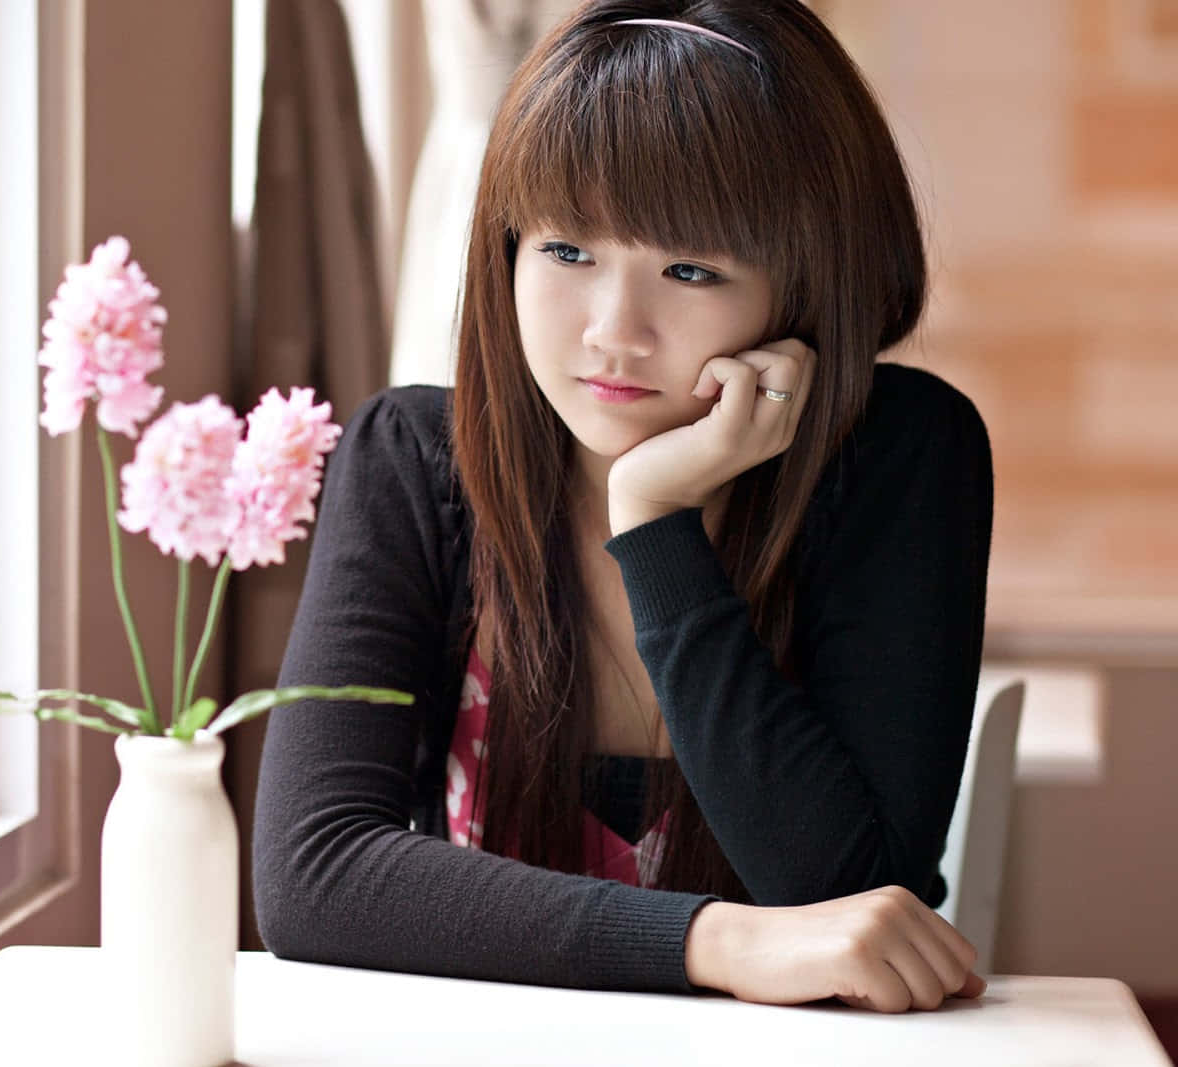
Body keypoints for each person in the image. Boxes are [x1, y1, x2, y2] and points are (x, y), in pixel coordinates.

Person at [252, 0, 994, 1014]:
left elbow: (843, 893)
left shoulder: (896, 457)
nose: (612, 331)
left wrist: (653, 524)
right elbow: (314, 876)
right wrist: (714, 941)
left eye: (689, 270)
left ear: (806, 290)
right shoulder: (414, 460)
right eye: (566, 252)